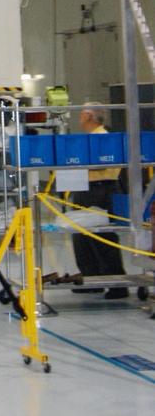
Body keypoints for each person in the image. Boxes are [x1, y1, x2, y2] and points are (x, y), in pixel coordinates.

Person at [72, 103, 128, 299]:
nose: (79, 118)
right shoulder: (91, 138)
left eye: (81, 114)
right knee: (82, 236)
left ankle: (116, 283)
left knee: (103, 236)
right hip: (87, 188)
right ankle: (92, 279)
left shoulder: (101, 138)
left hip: (100, 190)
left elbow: (99, 165)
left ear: (88, 116)